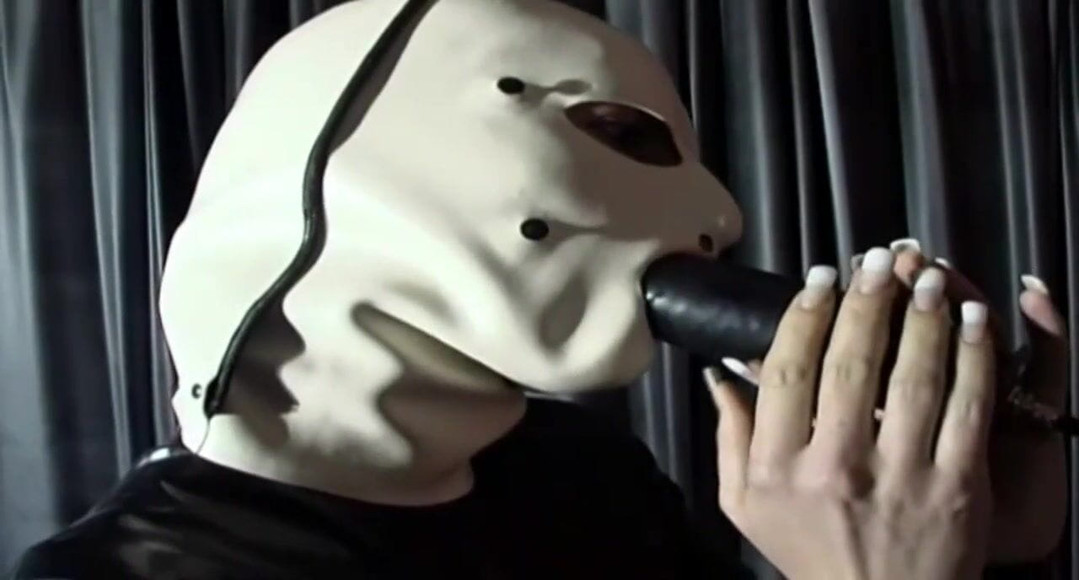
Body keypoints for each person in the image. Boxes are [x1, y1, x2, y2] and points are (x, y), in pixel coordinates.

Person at [9, 0, 1068, 578]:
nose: (717, 213)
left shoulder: (584, 475)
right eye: (617, 133)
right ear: (361, 155)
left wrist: (987, 548)